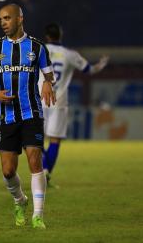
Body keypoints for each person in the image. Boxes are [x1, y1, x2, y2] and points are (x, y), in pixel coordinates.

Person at [0, 4, 56, 229]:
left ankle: (38, 215)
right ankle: (19, 200)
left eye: (7, 18)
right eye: (0, 19)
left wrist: (48, 84)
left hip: (32, 112)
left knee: (35, 161)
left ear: (20, 18)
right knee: (8, 171)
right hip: (7, 116)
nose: (3, 22)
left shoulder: (37, 47)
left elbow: (49, 74)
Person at [38, 23, 109, 186]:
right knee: (55, 140)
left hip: (38, 99)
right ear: (60, 35)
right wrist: (101, 64)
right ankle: (46, 174)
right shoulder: (70, 54)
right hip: (59, 102)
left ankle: (44, 171)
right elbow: (89, 70)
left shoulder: (37, 50)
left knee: (36, 140)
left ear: (46, 36)